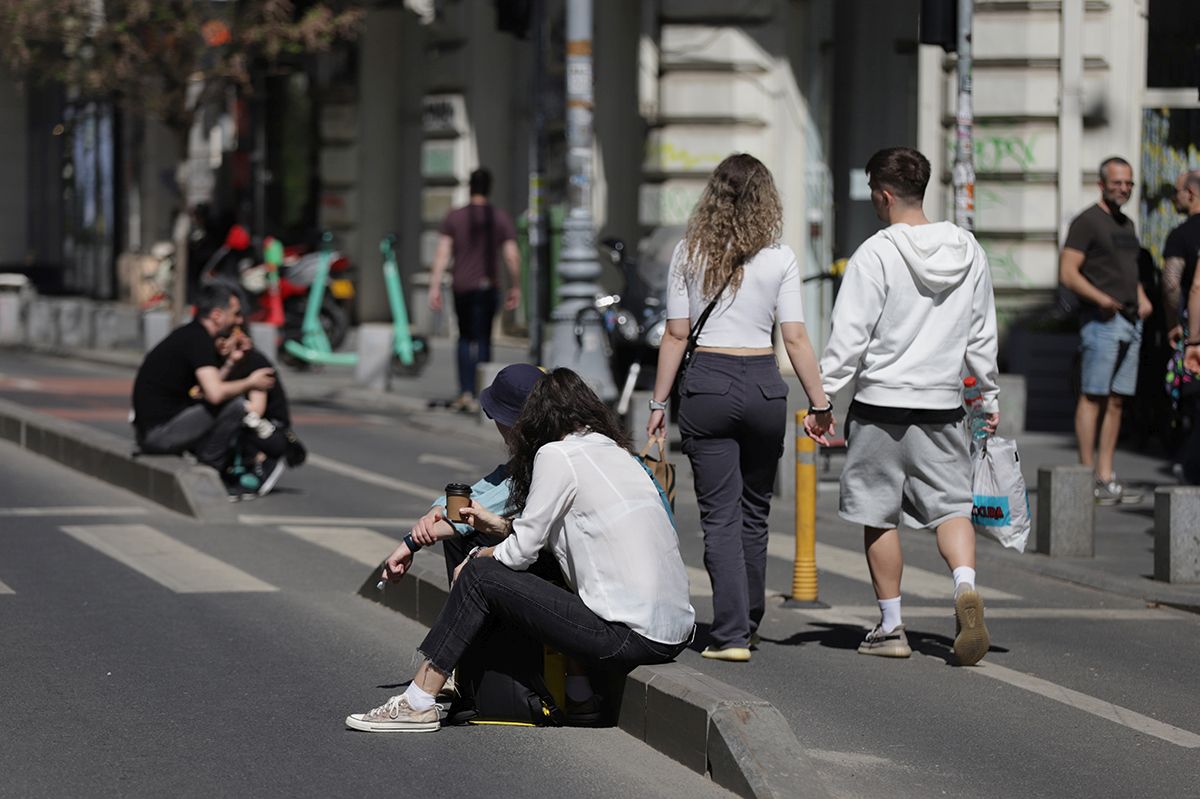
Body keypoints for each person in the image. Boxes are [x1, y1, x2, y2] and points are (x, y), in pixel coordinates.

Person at [347, 368, 695, 733]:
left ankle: (419, 701)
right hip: (674, 633)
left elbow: (519, 554)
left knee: (482, 574)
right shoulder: (612, 450)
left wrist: (474, 559)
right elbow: (544, 542)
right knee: (531, 565)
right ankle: (581, 696)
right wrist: (492, 530)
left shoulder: (555, 455)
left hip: (627, 637)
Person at [811, 146, 999, 667]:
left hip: (880, 405)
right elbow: (982, 334)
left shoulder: (875, 253)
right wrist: (987, 395)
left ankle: (892, 626)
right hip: (943, 403)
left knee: (880, 514)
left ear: (885, 194)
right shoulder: (968, 249)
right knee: (951, 507)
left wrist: (821, 399)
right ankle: (964, 587)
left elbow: (849, 337)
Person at [646, 153, 831, 663]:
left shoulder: (689, 253)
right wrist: (820, 403)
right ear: (765, 199)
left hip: (708, 385)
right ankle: (747, 622)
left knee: (720, 516)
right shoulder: (781, 257)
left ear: (713, 196)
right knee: (755, 512)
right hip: (765, 387)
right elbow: (794, 337)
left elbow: (676, 334)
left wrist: (658, 403)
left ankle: (728, 635)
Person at [380, 363, 546, 586]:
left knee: (466, 535)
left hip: (567, 578)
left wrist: (412, 542)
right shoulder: (539, 448)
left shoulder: (546, 457)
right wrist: (436, 511)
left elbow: (494, 501)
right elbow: (486, 488)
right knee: (461, 528)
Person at [1059, 156, 1153, 505]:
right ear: (1101, 184)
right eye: (1117, 183)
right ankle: (1085, 476)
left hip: (1131, 321)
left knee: (1116, 400)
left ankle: (1106, 475)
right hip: (1101, 322)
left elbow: (1129, 271)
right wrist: (1101, 299)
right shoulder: (1087, 222)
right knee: (1093, 395)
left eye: (1128, 183)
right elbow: (1068, 273)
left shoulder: (1126, 224)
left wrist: (1142, 297)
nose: (1124, 188)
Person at [132, 284, 276, 482]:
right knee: (235, 406)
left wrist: (232, 362)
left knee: (224, 400)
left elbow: (209, 386)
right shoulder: (198, 340)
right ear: (217, 315)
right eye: (235, 314)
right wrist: (251, 382)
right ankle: (209, 468)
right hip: (159, 435)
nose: (239, 321)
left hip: (152, 431)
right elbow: (215, 393)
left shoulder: (190, 334)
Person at [428, 167, 521, 413]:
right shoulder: (499, 217)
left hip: (462, 286)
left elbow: (442, 253)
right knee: (483, 338)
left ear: (470, 187)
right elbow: (511, 255)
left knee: (464, 337)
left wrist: (434, 286)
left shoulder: (454, 216)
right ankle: (486, 395)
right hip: (488, 286)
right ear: (489, 188)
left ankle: (465, 391)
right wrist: (516, 286)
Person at [217, 328, 306, 497]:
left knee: (242, 417)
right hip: (250, 426)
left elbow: (256, 410)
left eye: (227, 339)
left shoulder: (256, 363)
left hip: (269, 429)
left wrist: (228, 397)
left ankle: (261, 463)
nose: (222, 344)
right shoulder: (224, 362)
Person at [1163, 170, 1200, 346]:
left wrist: (1173, 322)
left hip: (1194, 329)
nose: (1173, 198)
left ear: (1190, 193)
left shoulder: (1180, 235)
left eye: (1176, 191)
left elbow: (1171, 284)